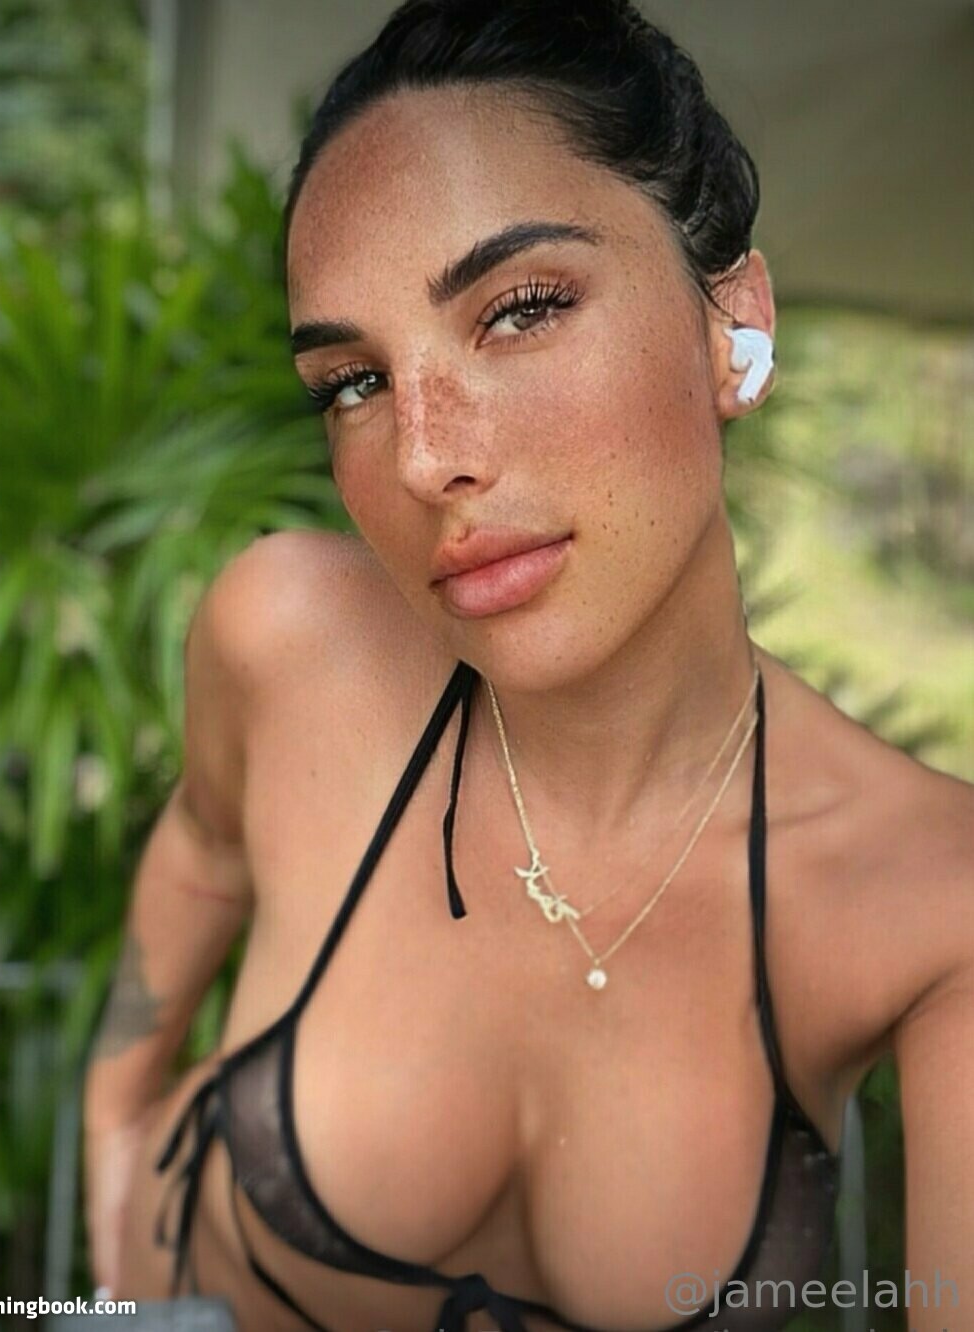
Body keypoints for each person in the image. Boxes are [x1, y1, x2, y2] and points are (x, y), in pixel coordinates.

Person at [82, 2, 974, 1329]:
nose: (423, 457)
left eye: (520, 310)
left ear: (734, 325)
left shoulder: (933, 895)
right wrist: (110, 1132)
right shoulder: (291, 637)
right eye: (352, 382)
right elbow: (203, 851)